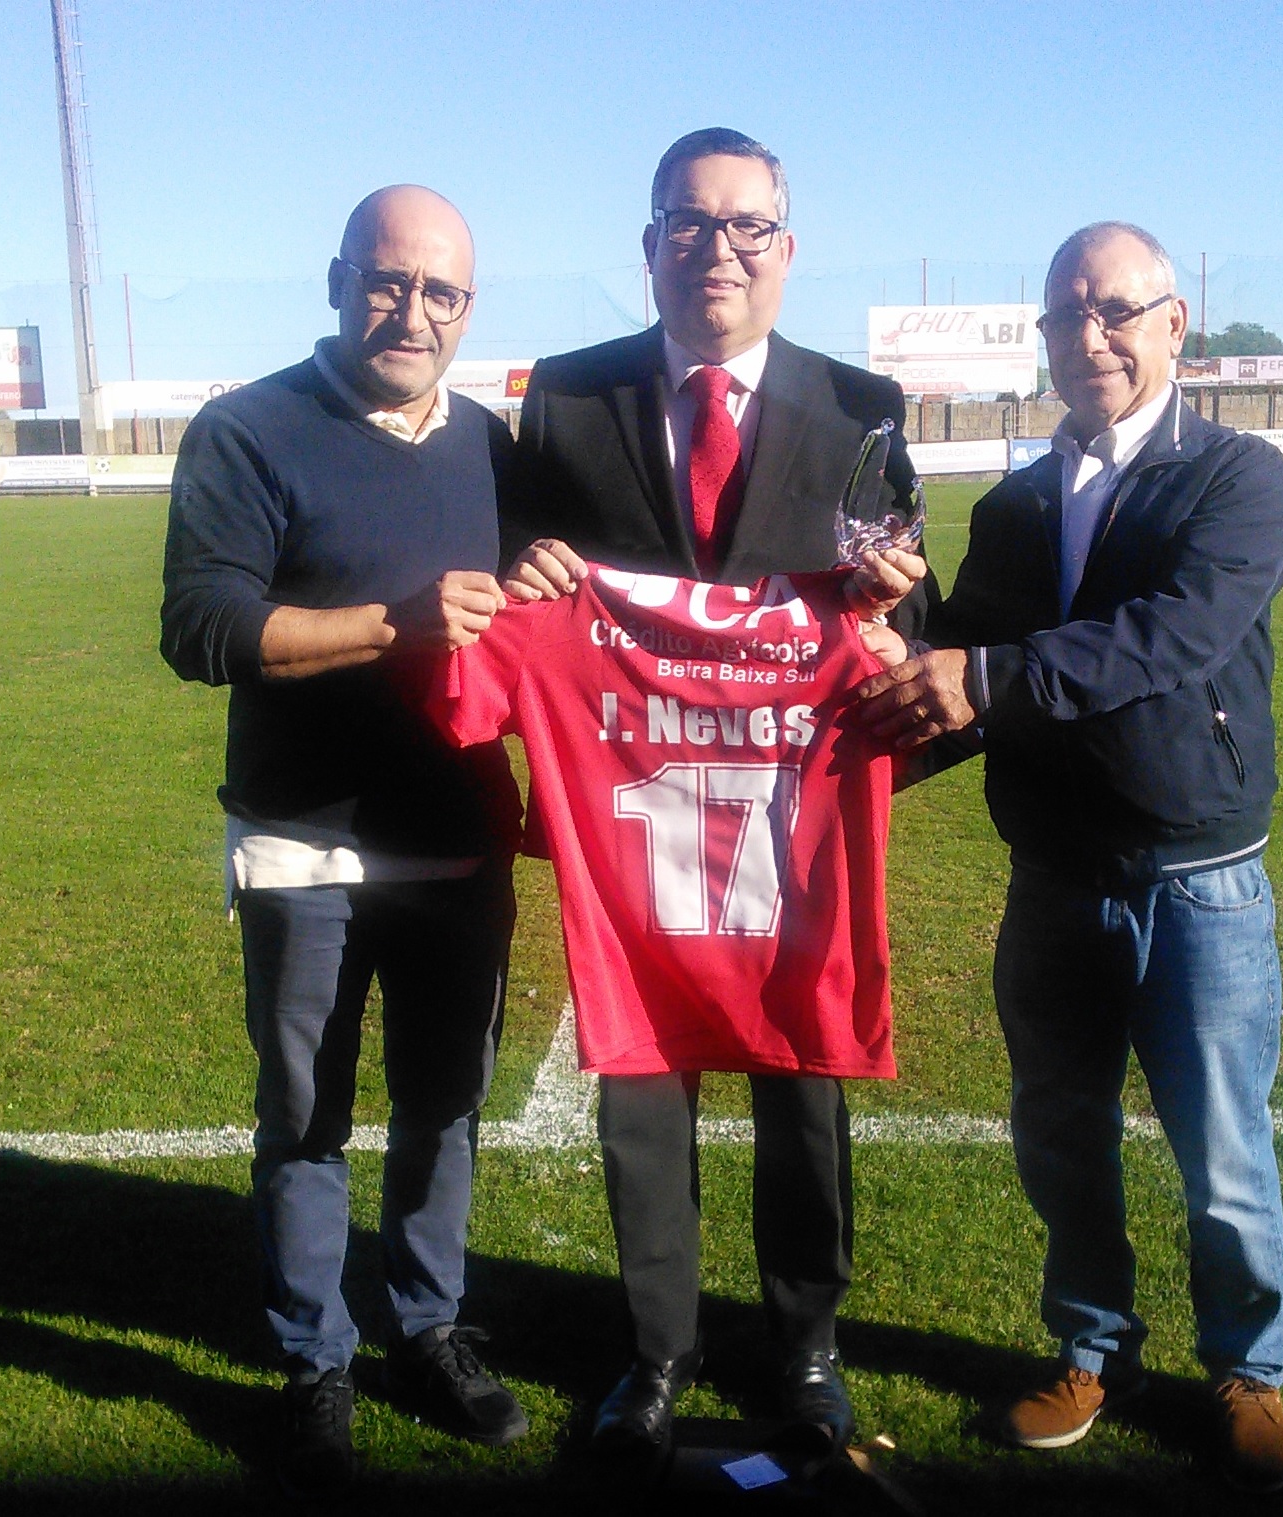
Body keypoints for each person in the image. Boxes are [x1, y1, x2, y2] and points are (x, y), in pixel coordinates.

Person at [500, 126, 931, 1457]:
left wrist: (899, 615)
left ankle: (805, 1348)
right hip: (640, 808)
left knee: (803, 1075)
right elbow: (521, 570)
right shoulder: (564, 399)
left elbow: (914, 633)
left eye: (747, 227)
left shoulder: (864, 406)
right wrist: (528, 579)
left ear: (787, 252)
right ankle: (661, 1351)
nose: (718, 250)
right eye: (689, 224)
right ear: (648, 247)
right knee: (639, 1074)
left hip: (789, 812)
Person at [852, 221, 1283, 1493]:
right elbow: (971, 671)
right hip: (1051, 876)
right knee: (1061, 1136)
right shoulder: (1015, 503)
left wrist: (978, 671)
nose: (1090, 337)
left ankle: (1249, 1371)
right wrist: (899, 630)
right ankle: (1091, 1347)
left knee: (1222, 1153)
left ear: (1174, 324)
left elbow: (1167, 639)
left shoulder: (1236, 479)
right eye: (1066, 317)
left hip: (1200, 879)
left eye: (1116, 311)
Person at [159, 185, 528, 1497]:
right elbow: (202, 628)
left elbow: (542, 623)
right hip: (302, 843)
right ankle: (313, 1358)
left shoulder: (495, 446)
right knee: (306, 1114)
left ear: (467, 310)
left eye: (440, 292)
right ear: (334, 281)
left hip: (454, 843)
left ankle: (428, 1328)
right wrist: (391, 625)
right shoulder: (250, 429)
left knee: (443, 1105)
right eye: (387, 281)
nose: (411, 310)